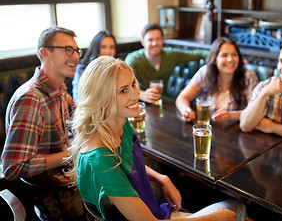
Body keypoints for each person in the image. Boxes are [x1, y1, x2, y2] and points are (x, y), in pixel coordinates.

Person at [68, 56, 248, 220]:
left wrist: (162, 178)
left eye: (133, 84)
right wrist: (214, 218)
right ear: (100, 99)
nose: (134, 95)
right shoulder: (100, 159)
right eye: (123, 90)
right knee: (236, 209)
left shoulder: (119, 123)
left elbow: (127, 165)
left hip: (154, 211)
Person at [1, 26, 84, 219]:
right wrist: (70, 155)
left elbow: (81, 118)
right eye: (67, 50)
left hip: (69, 179)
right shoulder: (31, 99)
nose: (75, 57)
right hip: (58, 196)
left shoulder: (59, 89)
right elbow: (13, 167)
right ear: (45, 53)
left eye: (77, 51)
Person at [176, 37, 258, 122]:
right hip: (208, 127)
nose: (230, 60)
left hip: (237, 129)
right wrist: (186, 111)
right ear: (214, 59)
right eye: (224, 55)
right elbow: (182, 98)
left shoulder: (248, 77)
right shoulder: (205, 72)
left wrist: (231, 116)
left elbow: (254, 111)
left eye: (234, 54)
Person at [125, 23, 209, 104]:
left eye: (158, 39)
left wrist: (219, 56)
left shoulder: (170, 54)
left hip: (163, 101)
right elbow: (124, 86)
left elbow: (197, 54)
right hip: (139, 102)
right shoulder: (133, 59)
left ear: (163, 40)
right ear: (143, 42)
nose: (155, 43)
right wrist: (142, 95)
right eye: (150, 40)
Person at [72, 30, 117, 102]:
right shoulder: (83, 68)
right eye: (103, 47)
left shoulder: (117, 68)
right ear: (96, 48)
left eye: (112, 47)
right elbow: (78, 98)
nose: (108, 51)